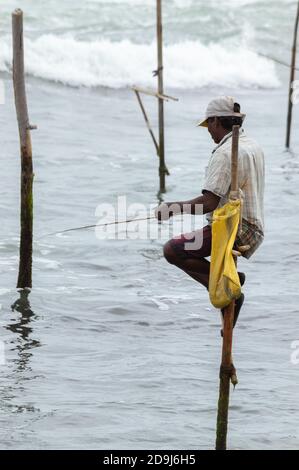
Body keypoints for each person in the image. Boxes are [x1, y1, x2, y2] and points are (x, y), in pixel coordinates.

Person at [155, 96, 265, 329]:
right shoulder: (251, 144)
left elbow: (209, 202)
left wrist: (172, 208)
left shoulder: (226, 153)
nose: (209, 132)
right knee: (180, 248)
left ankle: (227, 286)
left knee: (172, 250)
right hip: (254, 228)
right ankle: (227, 284)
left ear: (216, 121)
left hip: (234, 228)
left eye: (209, 126)